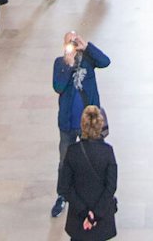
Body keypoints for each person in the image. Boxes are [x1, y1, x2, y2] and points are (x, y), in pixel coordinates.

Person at [51, 33, 111, 218]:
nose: (72, 45)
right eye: (69, 42)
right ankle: (62, 196)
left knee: (94, 157)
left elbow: (106, 61)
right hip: (68, 122)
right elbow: (58, 87)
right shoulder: (59, 63)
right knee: (64, 160)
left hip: (89, 122)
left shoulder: (89, 58)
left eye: (74, 41)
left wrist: (88, 47)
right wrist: (68, 65)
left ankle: (97, 192)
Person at [57, 105, 118, 241]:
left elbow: (64, 187)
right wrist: (94, 215)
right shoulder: (107, 152)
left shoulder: (72, 151)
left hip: (78, 220)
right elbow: (111, 187)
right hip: (102, 220)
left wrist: (85, 213)